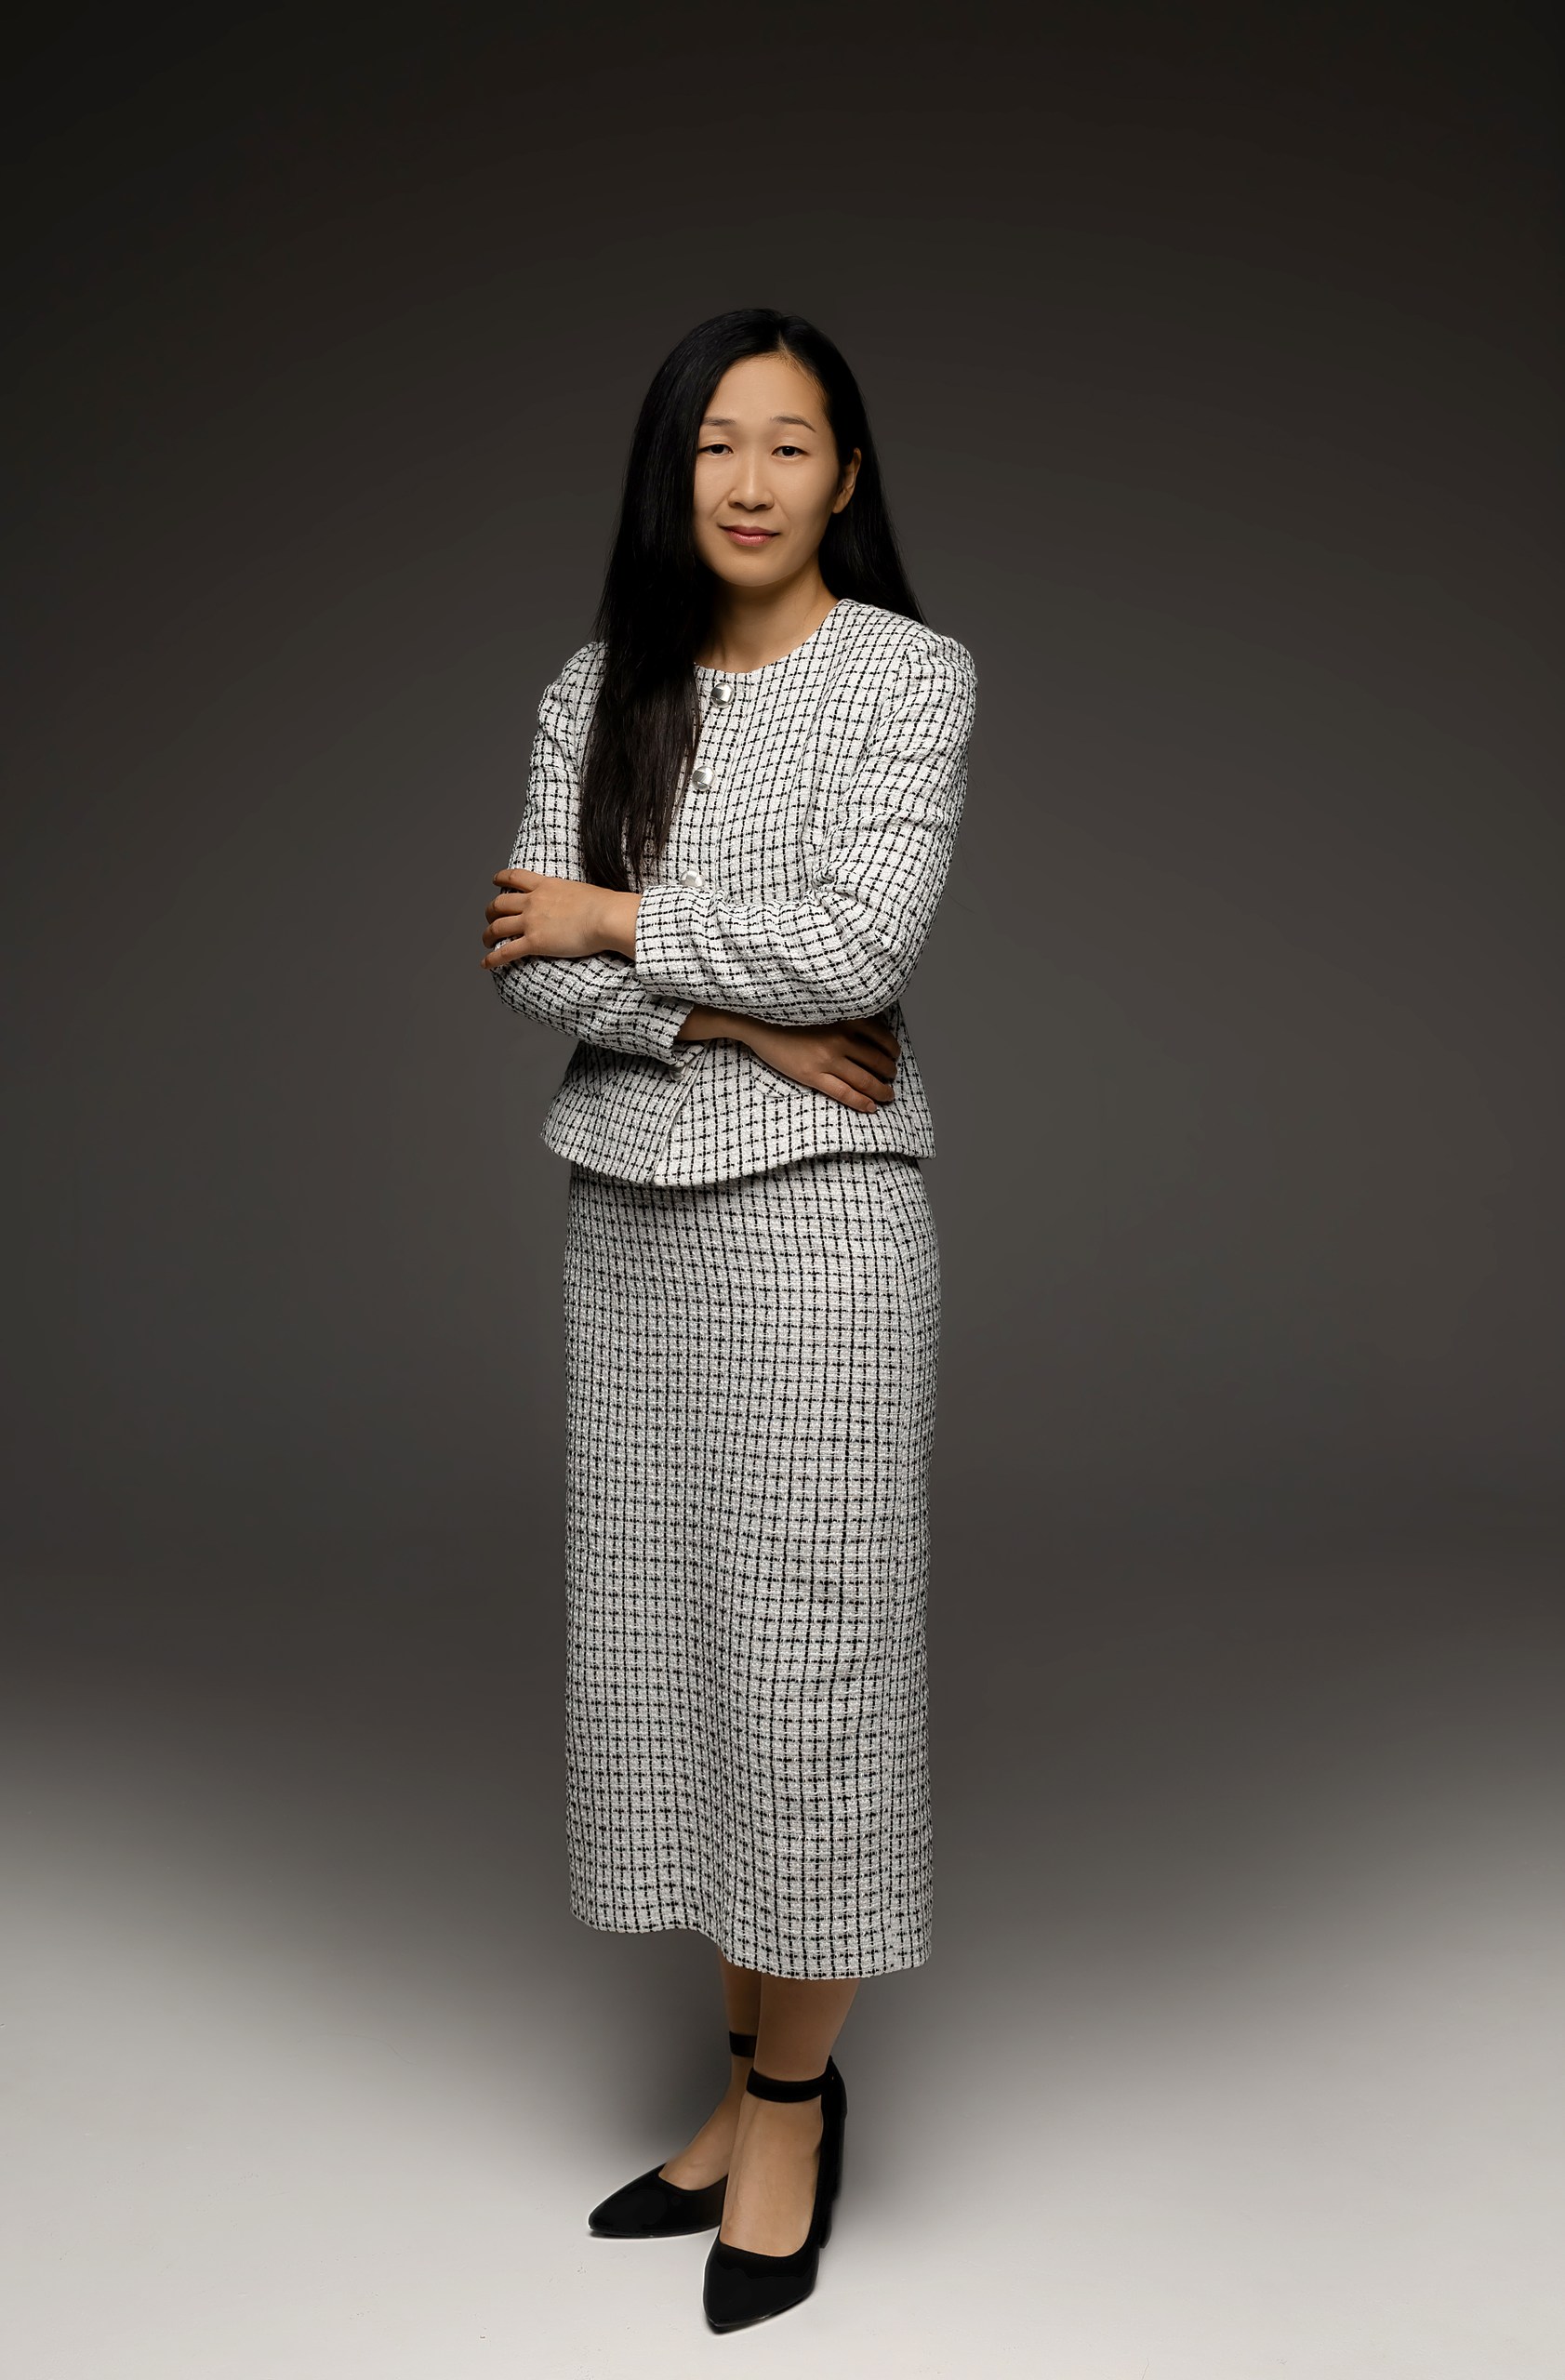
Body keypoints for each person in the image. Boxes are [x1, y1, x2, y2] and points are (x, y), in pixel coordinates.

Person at [480, 306, 976, 2333]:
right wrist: (728, 1013)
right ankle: (741, 2075)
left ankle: (789, 2111)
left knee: (809, 1667)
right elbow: (521, 957)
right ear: (668, 471)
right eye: (714, 444)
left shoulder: (908, 675)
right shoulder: (595, 684)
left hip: (822, 1230)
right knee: (679, 1654)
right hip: (630, 1225)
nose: (749, 481)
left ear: (848, 475)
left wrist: (622, 920)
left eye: (788, 443)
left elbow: (864, 938)